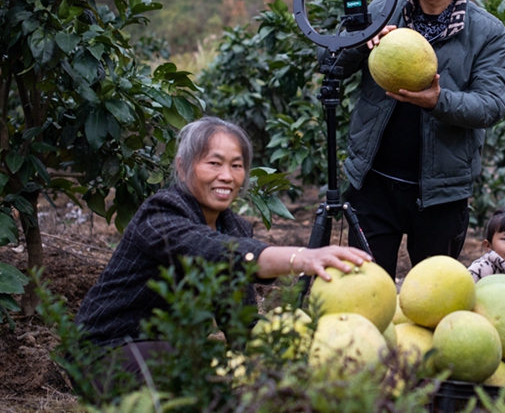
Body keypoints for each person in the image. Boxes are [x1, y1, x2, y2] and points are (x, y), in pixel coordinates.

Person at [75, 116, 369, 376]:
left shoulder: (234, 228)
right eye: (214, 163)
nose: (227, 176)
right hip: (106, 349)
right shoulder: (160, 213)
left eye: (236, 166)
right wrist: (301, 257)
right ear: (182, 167)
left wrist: (305, 347)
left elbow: (240, 325)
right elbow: (211, 249)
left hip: (171, 350)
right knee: (199, 371)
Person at [329, 0, 505, 280]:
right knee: (364, 289)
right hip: (373, 184)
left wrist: (438, 102)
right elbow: (327, 62)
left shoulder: (487, 32)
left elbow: (492, 104)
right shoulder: (382, 11)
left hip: (441, 194)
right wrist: (362, 44)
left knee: (433, 297)